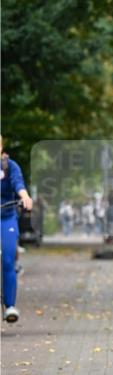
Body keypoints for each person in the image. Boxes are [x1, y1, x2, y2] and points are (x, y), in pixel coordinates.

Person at [1, 135, 34, 323]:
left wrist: (25, 196)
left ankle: (10, 306)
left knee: (7, 260)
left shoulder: (9, 165)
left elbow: (18, 183)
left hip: (6, 218)